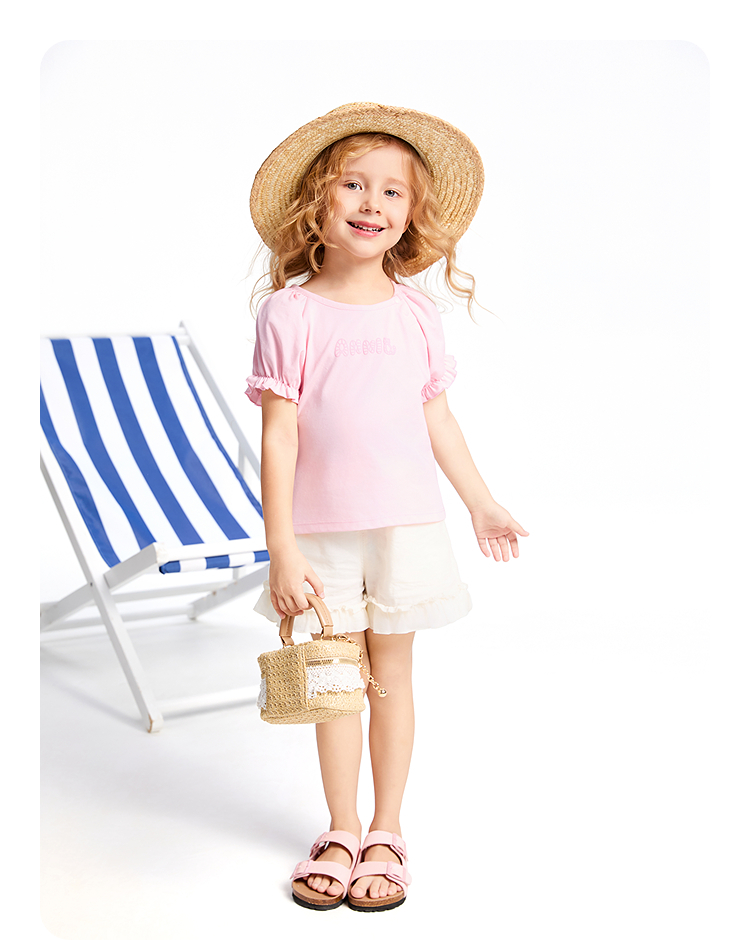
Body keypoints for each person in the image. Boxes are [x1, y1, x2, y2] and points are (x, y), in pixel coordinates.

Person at [245, 102, 529, 912]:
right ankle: (340, 827)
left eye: (392, 191)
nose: (372, 203)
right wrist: (282, 547)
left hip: (405, 527)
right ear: (317, 201)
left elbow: (437, 419)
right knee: (334, 683)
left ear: (410, 214)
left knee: (392, 678)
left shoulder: (415, 314)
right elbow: (279, 438)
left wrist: (480, 503)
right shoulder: (290, 313)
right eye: (353, 185)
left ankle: (387, 829)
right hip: (320, 536)